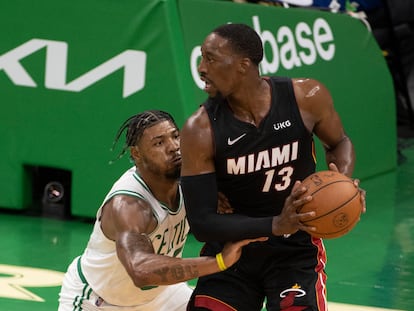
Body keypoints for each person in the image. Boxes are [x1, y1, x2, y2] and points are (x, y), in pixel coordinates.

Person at [180, 24, 366, 310]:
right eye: (201, 58)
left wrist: (341, 183)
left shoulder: (306, 96)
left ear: (243, 65)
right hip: (232, 251)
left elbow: (340, 142)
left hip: (296, 249)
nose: (202, 68)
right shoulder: (200, 129)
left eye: (211, 58)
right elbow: (202, 223)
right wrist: (275, 225)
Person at [58, 110, 266, 311]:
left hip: (162, 297)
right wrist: (218, 261)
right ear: (137, 154)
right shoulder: (128, 206)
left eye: (175, 136)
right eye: (159, 143)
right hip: (99, 300)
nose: (174, 147)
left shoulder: (192, 178)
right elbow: (140, 270)